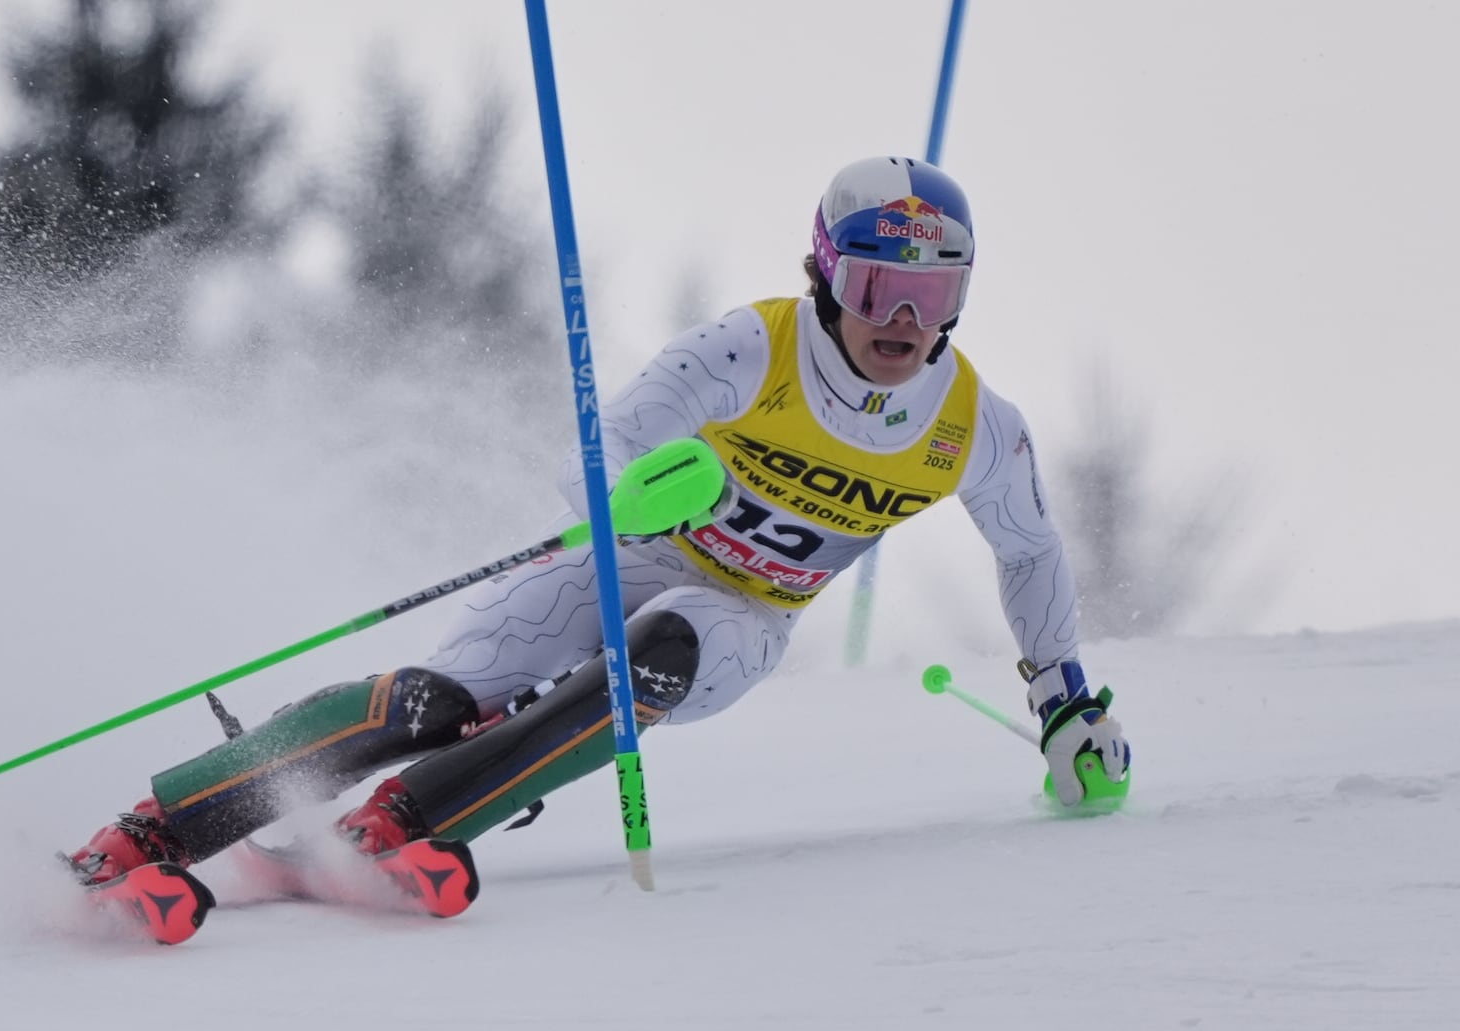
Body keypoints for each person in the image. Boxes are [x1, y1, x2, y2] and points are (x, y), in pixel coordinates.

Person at [67, 155, 1131, 885]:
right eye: (873, 284)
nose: (900, 322)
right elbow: (602, 450)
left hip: (742, 615)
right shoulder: (747, 350)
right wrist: (645, 487)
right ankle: (151, 832)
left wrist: (1062, 699)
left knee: (659, 657)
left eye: (931, 296)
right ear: (822, 274)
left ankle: (406, 823)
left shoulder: (971, 424)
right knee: (440, 698)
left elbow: (1028, 547)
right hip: (633, 553)